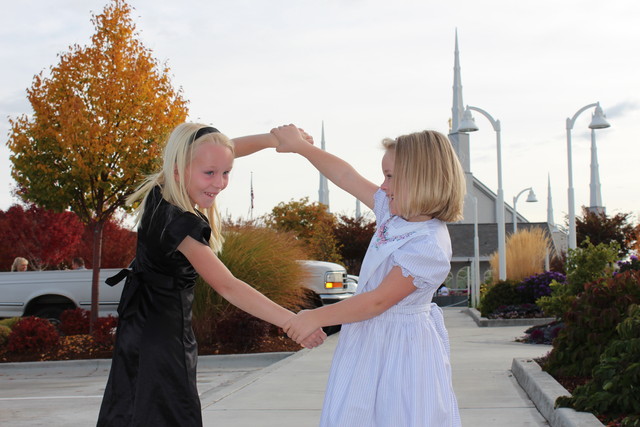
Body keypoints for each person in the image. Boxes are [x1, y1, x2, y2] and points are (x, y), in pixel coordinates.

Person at [97, 123, 325, 427]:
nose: (219, 182)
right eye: (210, 174)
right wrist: (291, 321)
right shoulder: (180, 225)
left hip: (139, 329)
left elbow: (219, 152)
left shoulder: (161, 192)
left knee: (132, 413)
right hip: (162, 343)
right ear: (179, 169)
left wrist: (273, 140)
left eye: (226, 173)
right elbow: (228, 286)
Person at [272, 125, 465, 426]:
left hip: (401, 350)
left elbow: (376, 302)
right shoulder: (393, 213)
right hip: (370, 338)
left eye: (390, 176)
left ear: (420, 180)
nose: (383, 186)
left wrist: (314, 317)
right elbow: (346, 176)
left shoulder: (428, 244)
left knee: (398, 413)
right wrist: (302, 147)